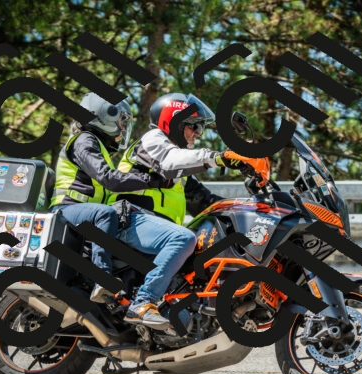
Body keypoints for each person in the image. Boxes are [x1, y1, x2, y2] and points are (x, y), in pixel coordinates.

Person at [108, 93, 269, 329]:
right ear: (173, 122)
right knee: (184, 238)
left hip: (154, 234)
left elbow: (206, 201)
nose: (198, 133)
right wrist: (220, 158)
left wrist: (253, 209)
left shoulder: (181, 172)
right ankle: (142, 303)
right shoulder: (153, 141)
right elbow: (171, 161)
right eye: (194, 126)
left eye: (200, 127)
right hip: (128, 220)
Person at [49, 92, 169, 304]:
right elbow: (109, 179)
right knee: (105, 214)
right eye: (121, 121)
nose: (122, 128)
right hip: (66, 209)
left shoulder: (97, 145)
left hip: (83, 214)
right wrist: (149, 180)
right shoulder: (84, 141)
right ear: (104, 116)